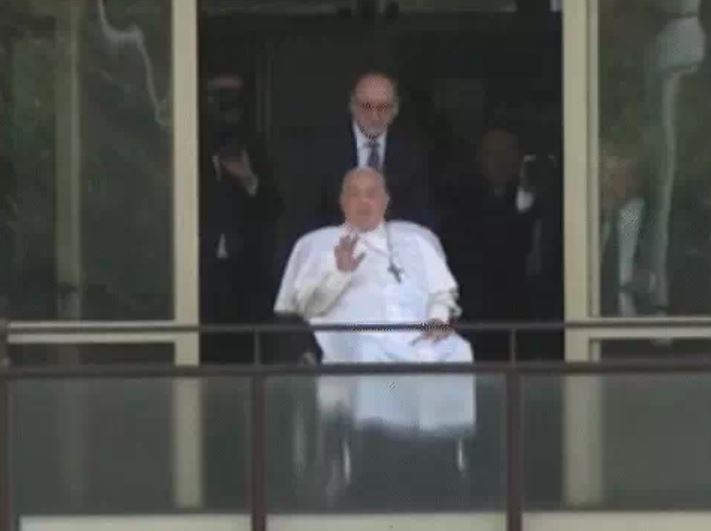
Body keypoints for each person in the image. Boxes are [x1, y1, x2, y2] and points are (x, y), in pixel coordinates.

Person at [275, 167, 474, 430]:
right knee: (373, 355)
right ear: (342, 202)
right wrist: (339, 273)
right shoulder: (321, 244)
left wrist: (438, 318)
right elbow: (305, 307)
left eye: (371, 194)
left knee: (457, 349)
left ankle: (442, 438)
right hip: (361, 342)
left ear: (386, 201)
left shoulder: (416, 238)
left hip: (421, 340)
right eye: (354, 194)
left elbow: (442, 291)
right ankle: (379, 439)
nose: (363, 202)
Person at [281, 71, 433, 251]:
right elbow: (303, 215)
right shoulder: (322, 150)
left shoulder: (412, 151)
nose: (375, 117)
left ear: (395, 110)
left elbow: (421, 217)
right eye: (367, 107)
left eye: (383, 108)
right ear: (352, 106)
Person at [200, 74, 282, 363]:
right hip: (202, 272)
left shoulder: (254, 148)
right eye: (217, 100)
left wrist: (249, 180)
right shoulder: (189, 147)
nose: (226, 111)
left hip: (247, 272)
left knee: (245, 351)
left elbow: (275, 207)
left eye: (232, 102)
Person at [442, 127, 536, 360]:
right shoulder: (459, 201)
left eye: (506, 153)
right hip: (475, 314)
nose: (499, 161)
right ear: (479, 158)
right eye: (492, 154)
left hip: (521, 317)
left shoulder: (531, 195)